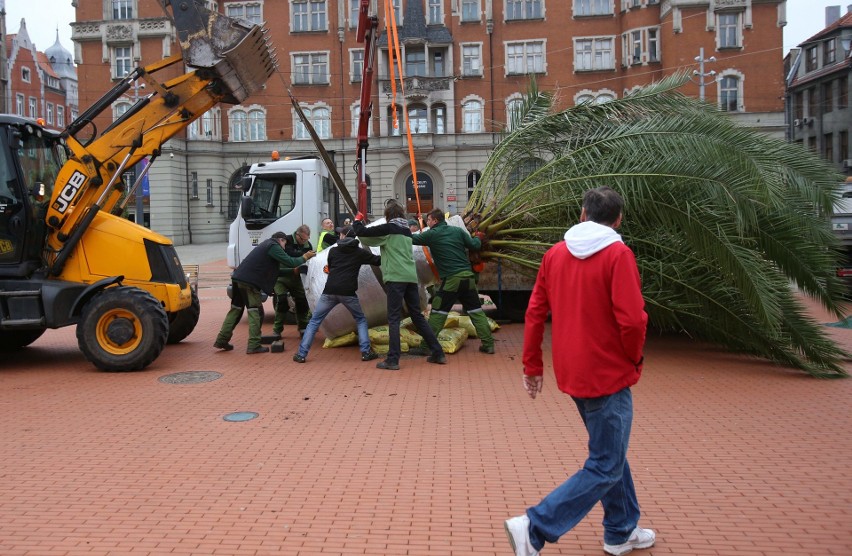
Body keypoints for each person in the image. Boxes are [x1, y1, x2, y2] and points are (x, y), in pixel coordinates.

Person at [504, 187, 653, 556]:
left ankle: (620, 530)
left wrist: (532, 365)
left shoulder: (555, 254)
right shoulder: (618, 254)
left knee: (610, 453)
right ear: (618, 220)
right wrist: (634, 358)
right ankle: (535, 526)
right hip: (609, 373)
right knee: (605, 463)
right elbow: (633, 320)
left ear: (582, 213)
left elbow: (535, 312)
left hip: (572, 371)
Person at [352, 200, 446, 370]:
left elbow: (363, 234)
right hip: (411, 277)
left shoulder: (388, 229)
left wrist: (357, 220)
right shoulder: (406, 231)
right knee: (417, 315)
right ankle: (437, 352)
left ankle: (393, 359)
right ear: (402, 214)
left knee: (393, 318)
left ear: (388, 215)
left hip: (395, 278)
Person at [215, 232, 315, 354]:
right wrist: (305, 257)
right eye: (285, 243)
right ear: (281, 240)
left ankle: (221, 340)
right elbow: (291, 261)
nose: (284, 247)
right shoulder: (273, 245)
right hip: (250, 282)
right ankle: (254, 344)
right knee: (255, 311)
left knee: (236, 309)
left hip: (239, 278)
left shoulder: (266, 246)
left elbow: (275, 271)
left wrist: (293, 272)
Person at [411, 208, 495, 354]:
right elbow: (475, 245)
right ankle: (488, 345)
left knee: (438, 312)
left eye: (429, 220)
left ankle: (426, 347)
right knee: (476, 311)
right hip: (468, 278)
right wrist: (479, 238)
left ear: (435, 221)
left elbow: (413, 239)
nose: (427, 223)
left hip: (451, 280)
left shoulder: (432, 234)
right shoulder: (458, 231)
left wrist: (397, 230)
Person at [293, 226, 381, 363]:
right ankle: (365, 352)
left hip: (329, 291)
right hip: (348, 293)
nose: (339, 236)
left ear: (344, 236)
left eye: (341, 234)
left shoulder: (333, 251)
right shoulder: (359, 253)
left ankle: (301, 354)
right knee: (360, 319)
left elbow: (331, 266)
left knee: (315, 321)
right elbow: (377, 261)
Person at [272, 224, 314, 339]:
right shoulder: (287, 240)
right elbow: (289, 255)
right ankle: (277, 330)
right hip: (281, 277)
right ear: (297, 234)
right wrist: (305, 255)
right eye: (302, 239)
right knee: (281, 300)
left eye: (306, 239)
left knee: (302, 301)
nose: (304, 242)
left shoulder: (307, 244)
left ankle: (303, 328)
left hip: (296, 277)